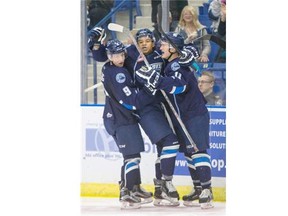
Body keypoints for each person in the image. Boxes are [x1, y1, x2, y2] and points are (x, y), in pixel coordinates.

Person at [88, 28, 198, 206]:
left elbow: (177, 57)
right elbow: (105, 56)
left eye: (148, 40)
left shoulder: (159, 53)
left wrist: (190, 49)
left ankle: (156, 190)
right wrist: (95, 45)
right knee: (169, 143)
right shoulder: (130, 53)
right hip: (144, 108)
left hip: (161, 105)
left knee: (163, 147)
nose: (144, 44)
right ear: (136, 44)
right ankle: (161, 185)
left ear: (154, 42)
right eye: (141, 41)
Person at [135, 32, 214, 209]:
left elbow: (179, 87)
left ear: (172, 48)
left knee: (198, 151)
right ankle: (198, 188)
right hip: (182, 116)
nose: (159, 47)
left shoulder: (178, 65)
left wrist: (159, 80)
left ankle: (207, 191)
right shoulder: (172, 63)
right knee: (189, 153)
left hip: (194, 114)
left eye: (163, 44)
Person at [101, 39, 156, 209]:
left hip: (120, 118)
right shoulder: (119, 74)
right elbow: (132, 101)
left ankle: (135, 187)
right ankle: (127, 192)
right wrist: (151, 89)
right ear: (110, 56)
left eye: (121, 54)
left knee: (132, 156)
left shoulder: (109, 67)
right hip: (121, 119)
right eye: (116, 55)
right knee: (132, 157)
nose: (120, 58)